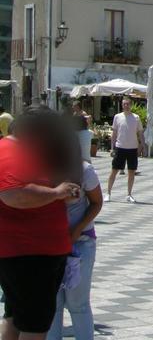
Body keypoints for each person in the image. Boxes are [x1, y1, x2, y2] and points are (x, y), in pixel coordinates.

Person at [0, 106, 82, 340]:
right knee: (34, 324)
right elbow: (14, 194)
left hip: (28, 251)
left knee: (16, 315)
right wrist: (56, 193)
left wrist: (59, 193)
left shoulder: (19, 150)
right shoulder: (11, 150)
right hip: (30, 253)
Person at [47, 155, 102, 340]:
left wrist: (77, 230)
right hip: (50, 244)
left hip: (81, 243)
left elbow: (97, 202)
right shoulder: (39, 168)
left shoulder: (84, 169)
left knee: (78, 304)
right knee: (52, 304)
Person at [105, 98, 143, 203]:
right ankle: (108, 193)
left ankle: (129, 194)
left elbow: (140, 133)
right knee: (114, 171)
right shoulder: (117, 117)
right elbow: (114, 133)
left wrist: (142, 145)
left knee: (131, 172)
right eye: (124, 104)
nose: (126, 106)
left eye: (127, 104)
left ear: (131, 105)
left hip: (132, 148)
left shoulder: (136, 118)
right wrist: (112, 148)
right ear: (122, 105)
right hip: (120, 147)